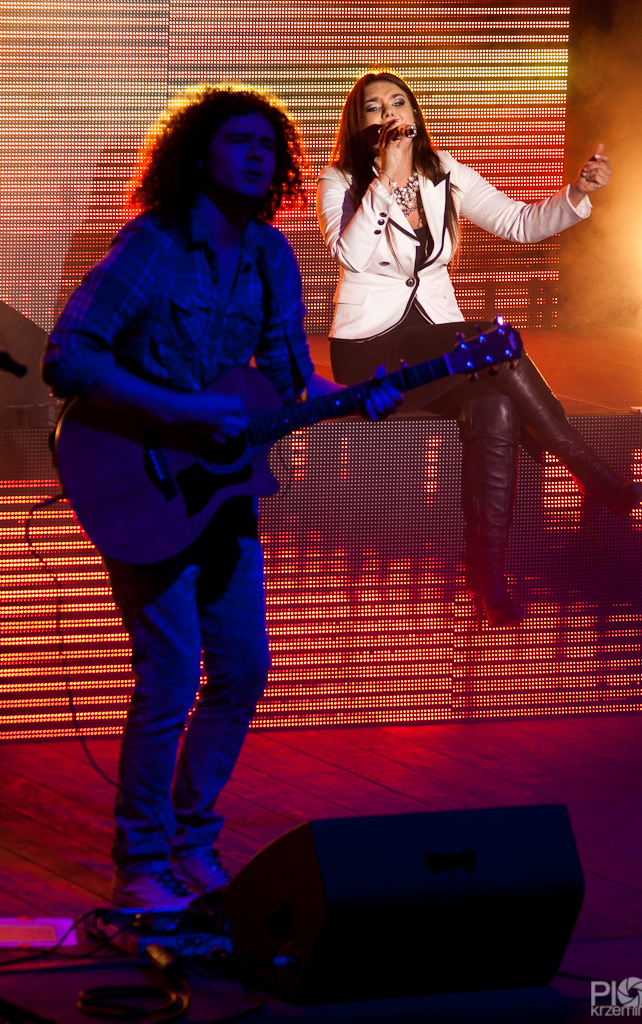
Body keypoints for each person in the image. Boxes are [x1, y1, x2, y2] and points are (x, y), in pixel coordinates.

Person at [42, 84, 399, 910]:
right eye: (239, 141)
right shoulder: (153, 245)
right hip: (138, 485)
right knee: (171, 674)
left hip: (222, 498)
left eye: (268, 146)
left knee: (242, 669)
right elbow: (69, 354)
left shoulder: (271, 257)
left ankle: (192, 841)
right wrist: (180, 411)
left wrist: (353, 397)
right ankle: (141, 864)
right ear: (198, 154)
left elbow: (287, 383)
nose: (256, 156)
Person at [316, 71, 642, 628]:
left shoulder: (443, 173)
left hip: (432, 349)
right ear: (359, 123)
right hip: (370, 353)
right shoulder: (342, 181)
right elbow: (349, 255)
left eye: (399, 102)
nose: (389, 113)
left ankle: (486, 572)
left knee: (493, 405)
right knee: (489, 341)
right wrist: (384, 179)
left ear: (415, 115)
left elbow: (519, 222)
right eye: (374, 107)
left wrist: (578, 194)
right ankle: (589, 471)